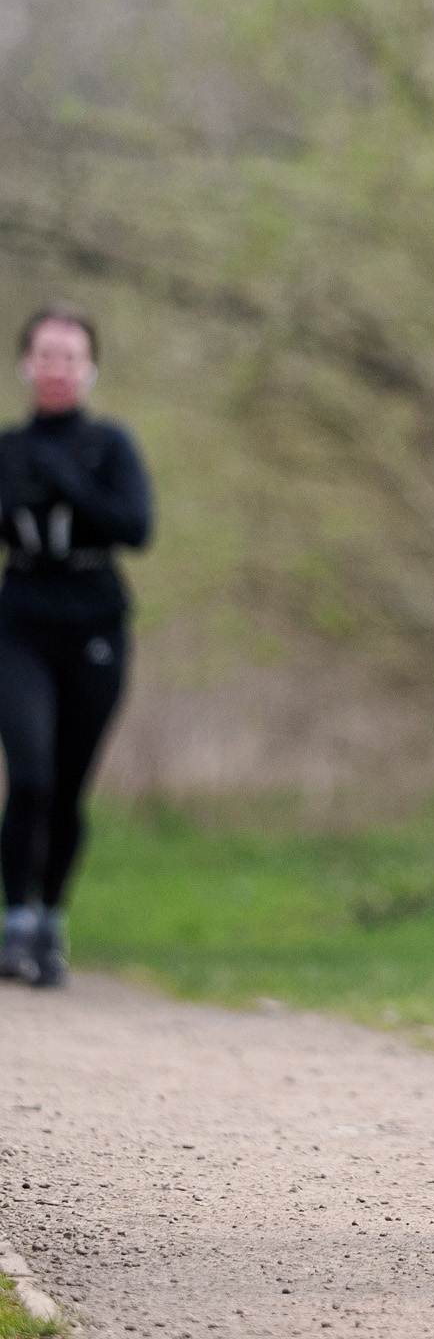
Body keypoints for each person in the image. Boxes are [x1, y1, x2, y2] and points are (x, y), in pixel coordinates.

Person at [0, 306, 153, 988]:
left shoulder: (109, 445)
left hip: (94, 624)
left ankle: (53, 918)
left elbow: (136, 527)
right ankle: (15, 921)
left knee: (66, 787)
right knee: (28, 774)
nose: (56, 367)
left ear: (89, 368)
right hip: (21, 621)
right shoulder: (7, 448)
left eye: (69, 356)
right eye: (45, 354)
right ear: (25, 363)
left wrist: (69, 483)